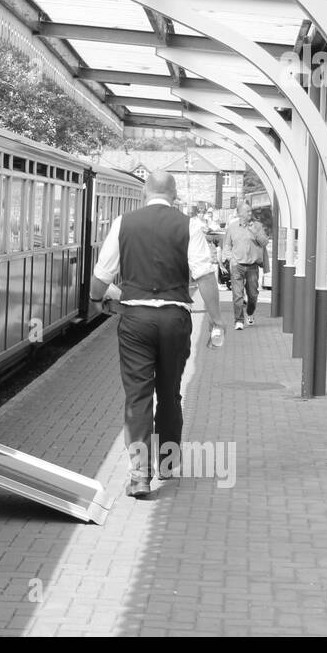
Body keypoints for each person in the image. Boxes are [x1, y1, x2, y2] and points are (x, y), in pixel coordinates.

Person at [90, 170, 224, 499]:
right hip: (174, 320)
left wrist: (96, 302)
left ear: (145, 192)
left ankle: (139, 475)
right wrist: (217, 321)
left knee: (137, 397)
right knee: (169, 393)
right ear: (174, 194)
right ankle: (166, 463)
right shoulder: (190, 225)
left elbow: (101, 274)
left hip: (135, 320)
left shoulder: (124, 223)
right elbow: (205, 276)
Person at [223, 201, 269, 330]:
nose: (250, 213)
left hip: (252, 266)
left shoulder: (257, 226)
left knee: (253, 294)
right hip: (237, 265)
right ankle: (238, 320)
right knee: (237, 294)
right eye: (247, 211)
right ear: (239, 213)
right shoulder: (232, 227)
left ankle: (250, 312)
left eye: (250, 211)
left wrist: (256, 232)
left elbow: (265, 242)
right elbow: (227, 245)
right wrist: (230, 259)